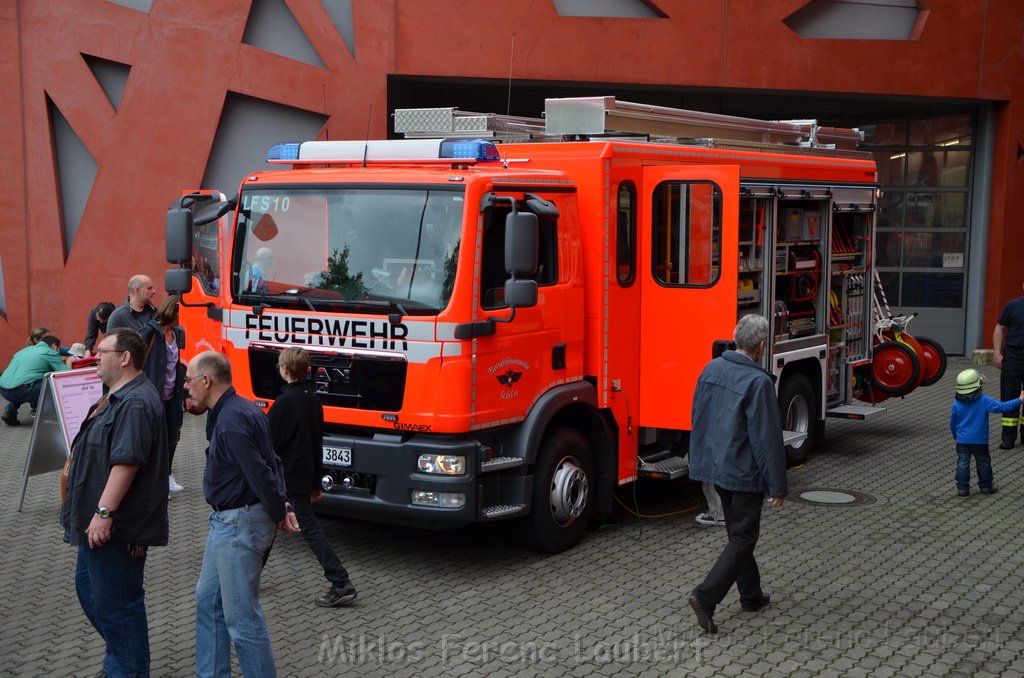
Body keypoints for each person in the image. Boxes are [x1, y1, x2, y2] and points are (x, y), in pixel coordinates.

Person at [59, 327, 169, 677]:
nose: (95, 356)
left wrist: (104, 513)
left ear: (124, 358)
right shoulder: (117, 395)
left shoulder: (135, 402)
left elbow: (127, 462)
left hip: (116, 529)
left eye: (102, 351)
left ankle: (128, 669)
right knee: (92, 593)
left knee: (120, 608)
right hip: (96, 525)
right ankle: (120, 662)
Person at [186, 351, 300, 677]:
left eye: (189, 379)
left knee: (241, 617)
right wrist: (282, 505)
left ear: (206, 380)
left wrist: (280, 508)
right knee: (209, 601)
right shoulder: (243, 409)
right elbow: (272, 462)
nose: (186, 387)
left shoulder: (232, 421)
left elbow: (261, 471)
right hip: (229, 522)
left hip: (238, 524)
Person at [686, 314, 787, 634]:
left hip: (717, 468)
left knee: (738, 536)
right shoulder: (758, 382)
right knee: (743, 538)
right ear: (761, 345)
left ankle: (751, 595)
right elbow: (767, 438)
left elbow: (697, 415)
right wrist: (777, 485)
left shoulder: (711, 368)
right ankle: (706, 597)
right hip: (743, 472)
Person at [267, 348, 357, 607]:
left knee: (307, 527)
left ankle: (340, 581)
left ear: (285, 369)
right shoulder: (312, 398)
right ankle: (248, 576)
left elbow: (268, 441)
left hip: (288, 476)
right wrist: (316, 482)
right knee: (269, 522)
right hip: (305, 474)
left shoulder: (284, 403)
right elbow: (318, 442)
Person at [950, 368, 1023, 496]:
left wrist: (955, 436)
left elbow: (952, 423)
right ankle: (985, 486)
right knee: (983, 462)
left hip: (962, 440)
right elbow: (1002, 407)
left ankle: (962, 489)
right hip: (980, 441)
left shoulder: (956, 403)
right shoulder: (984, 400)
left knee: (962, 462)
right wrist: (1020, 400)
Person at [140, 296, 187, 493]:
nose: (182, 318)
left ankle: (166, 476)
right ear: (172, 312)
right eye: (180, 313)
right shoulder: (150, 331)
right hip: (154, 394)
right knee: (153, 439)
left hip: (172, 394)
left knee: (172, 437)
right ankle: (154, 483)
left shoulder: (177, 333)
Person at [0, 334, 68, 425]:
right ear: (55, 346)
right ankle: (43, 415)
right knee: (50, 384)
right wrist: (68, 361)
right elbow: (65, 373)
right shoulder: (50, 352)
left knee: (25, 382)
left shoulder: (25, 350)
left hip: (4, 389)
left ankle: (10, 411)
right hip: (22, 390)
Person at [993, 284, 1024, 449]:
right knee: (1010, 397)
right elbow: (1000, 328)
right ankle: (1008, 438)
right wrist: (997, 353)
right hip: (1013, 356)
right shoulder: (1012, 306)